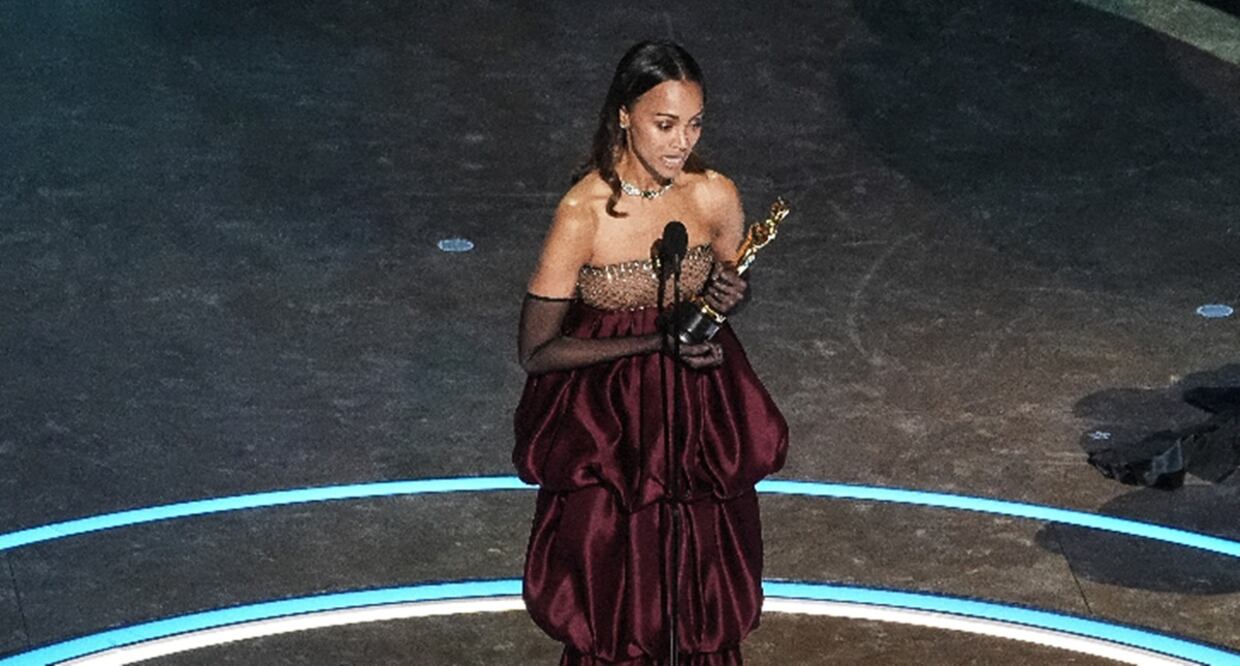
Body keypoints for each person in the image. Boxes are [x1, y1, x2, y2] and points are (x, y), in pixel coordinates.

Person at [513, 41, 788, 665]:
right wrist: (651, 343)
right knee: (617, 599)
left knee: (698, 590)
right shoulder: (582, 213)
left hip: (696, 421)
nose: (681, 143)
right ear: (624, 115)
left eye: (694, 125)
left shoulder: (714, 196)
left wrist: (731, 295)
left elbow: (725, 289)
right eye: (665, 125)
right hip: (611, 435)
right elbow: (536, 350)